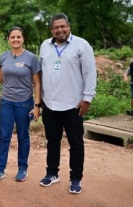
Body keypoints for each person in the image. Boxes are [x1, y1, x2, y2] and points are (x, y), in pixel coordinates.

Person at [39, 13, 97, 194]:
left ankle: (75, 178)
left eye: (62, 26)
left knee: (76, 143)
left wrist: (87, 98)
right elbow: (41, 73)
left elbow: (90, 73)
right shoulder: (45, 46)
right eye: (56, 27)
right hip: (50, 104)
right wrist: (39, 100)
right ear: (51, 30)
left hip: (73, 105)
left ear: (69, 26)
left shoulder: (82, 45)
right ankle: (52, 173)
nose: (59, 30)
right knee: (52, 141)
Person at [0, 27, 41, 183]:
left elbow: (37, 84)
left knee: (23, 136)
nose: (15, 39)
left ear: (23, 39)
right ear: (8, 39)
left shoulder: (31, 58)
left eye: (18, 37)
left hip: (24, 103)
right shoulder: (3, 57)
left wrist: (37, 106)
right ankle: (0, 169)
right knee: (4, 136)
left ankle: (22, 168)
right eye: (12, 37)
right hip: (6, 102)